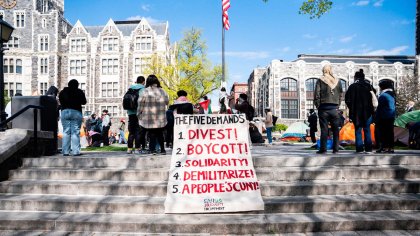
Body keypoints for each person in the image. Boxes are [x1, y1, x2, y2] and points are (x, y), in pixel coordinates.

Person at [314, 65, 342, 154]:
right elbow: (341, 94)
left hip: (323, 108)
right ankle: (336, 149)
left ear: (323, 70)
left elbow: (316, 95)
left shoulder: (320, 80)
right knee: (335, 130)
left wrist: (318, 106)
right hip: (334, 108)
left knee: (324, 129)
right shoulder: (338, 81)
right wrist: (338, 105)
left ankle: (323, 149)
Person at [345, 69, 375, 153]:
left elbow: (347, 99)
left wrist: (352, 107)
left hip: (356, 113)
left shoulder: (352, 86)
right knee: (367, 129)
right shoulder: (369, 86)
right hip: (367, 112)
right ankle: (368, 148)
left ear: (355, 77)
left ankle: (359, 149)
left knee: (358, 130)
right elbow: (374, 96)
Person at [137, 75, 169, 155]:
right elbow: (167, 102)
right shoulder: (162, 91)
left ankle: (152, 149)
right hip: (160, 117)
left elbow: (140, 104)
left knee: (151, 133)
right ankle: (162, 150)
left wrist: (139, 113)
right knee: (160, 133)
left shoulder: (145, 91)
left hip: (149, 116)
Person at [58, 79, 87, 156]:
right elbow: (84, 102)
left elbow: (60, 101)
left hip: (65, 111)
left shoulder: (62, 92)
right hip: (76, 111)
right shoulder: (79, 92)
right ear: (77, 85)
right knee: (75, 132)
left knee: (66, 132)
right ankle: (75, 151)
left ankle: (65, 151)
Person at [125, 76, 146, 154]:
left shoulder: (130, 88)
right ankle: (137, 148)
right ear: (143, 81)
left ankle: (129, 149)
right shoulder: (143, 89)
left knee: (131, 131)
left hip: (130, 113)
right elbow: (144, 101)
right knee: (138, 131)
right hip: (139, 112)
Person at [375, 80, 396, 153]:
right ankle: (391, 147)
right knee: (390, 132)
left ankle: (384, 147)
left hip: (384, 116)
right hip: (391, 116)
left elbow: (380, 107)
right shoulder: (392, 94)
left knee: (383, 132)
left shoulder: (384, 95)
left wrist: (377, 116)